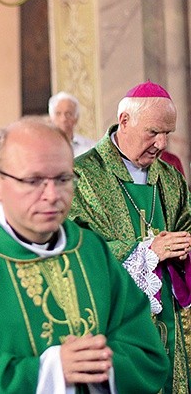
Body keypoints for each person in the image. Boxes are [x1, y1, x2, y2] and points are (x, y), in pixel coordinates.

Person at [0, 117, 169, 393]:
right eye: (33, 180)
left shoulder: (91, 250)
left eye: (63, 179)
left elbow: (144, 348)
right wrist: (48, 371)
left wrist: (105, 366)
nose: (52, 195)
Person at [70, 80, 191, 393]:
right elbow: (74, 246)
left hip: (171, 313)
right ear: (124, 121)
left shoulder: (168, 175)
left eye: (168, 132)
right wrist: (146, 250)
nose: (162, 143)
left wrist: (183, 246)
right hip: (114, 317)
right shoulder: (81, 175)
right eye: (153, 132)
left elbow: (187, 222)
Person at [48, 91, 96, 157]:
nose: (63, 119)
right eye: (58, 114)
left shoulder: (90, 148)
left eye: (68, 114)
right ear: (51, 118)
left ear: (76, 118)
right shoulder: (43, 147)